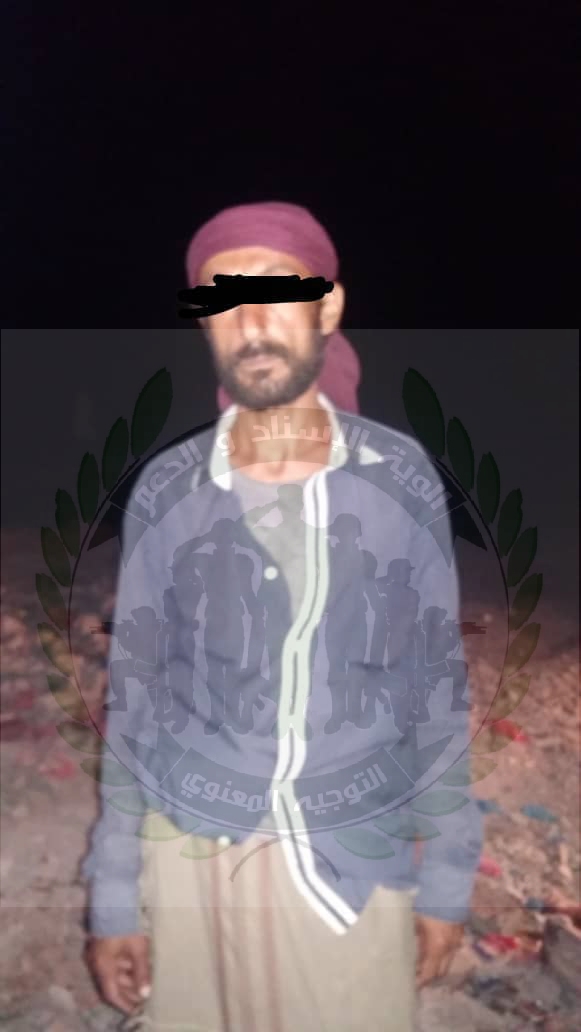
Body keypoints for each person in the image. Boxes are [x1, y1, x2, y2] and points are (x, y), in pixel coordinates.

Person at [83, 201, 483, 1031]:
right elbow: (135, 702)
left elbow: (434, 693)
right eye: (222, 298)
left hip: (346, 865)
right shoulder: (168, 489)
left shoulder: (397, 478)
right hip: (191, 862)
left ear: (327, 307)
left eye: (275, 289)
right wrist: (115, 897)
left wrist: (446, 880)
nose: (252, 320)